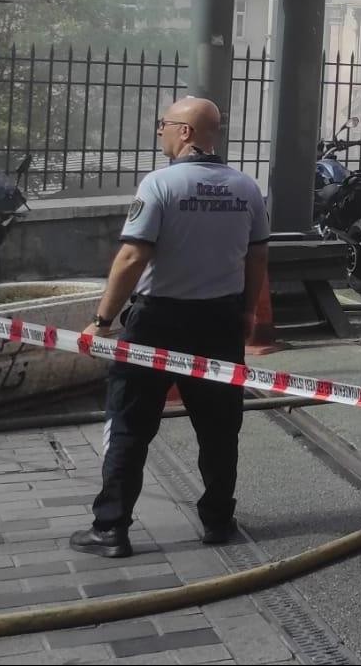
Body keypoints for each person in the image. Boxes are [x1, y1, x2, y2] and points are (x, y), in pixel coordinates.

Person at [70, 97, 269, 559]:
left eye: (164, 124)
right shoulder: (246, 188)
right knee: (220, 429)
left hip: (157, 322)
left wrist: (101, 321)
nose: (159, 131)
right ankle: (219, 520)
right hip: (219, 322)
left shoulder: (159, 184)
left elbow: (132, 256)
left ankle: (111, 529)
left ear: (185, 132)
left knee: (130, 426)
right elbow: (257, 256)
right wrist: (246, 313)